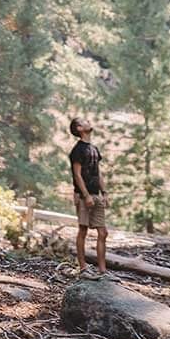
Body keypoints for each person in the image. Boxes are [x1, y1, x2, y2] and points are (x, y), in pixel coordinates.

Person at [67, 118, 109, 277]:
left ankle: (103, 270)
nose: (89, 122)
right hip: (83, 195)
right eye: (84, 122)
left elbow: (98, 173)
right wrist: (85, 195)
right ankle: (83, 267)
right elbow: (77, 175)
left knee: (103, 232)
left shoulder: (94, 148)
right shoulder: (77, 150)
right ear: (79, 128)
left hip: (96, 195)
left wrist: (104, 192)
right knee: (83, 230)